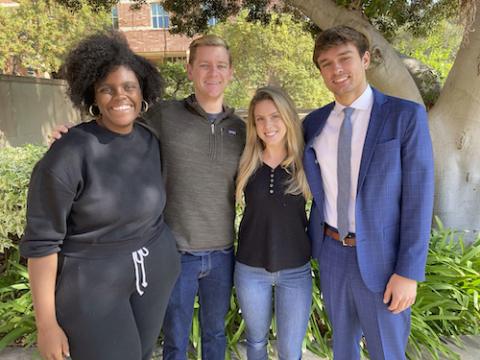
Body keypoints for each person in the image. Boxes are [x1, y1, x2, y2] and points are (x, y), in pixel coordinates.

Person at [20, 31, 181, 360]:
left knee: (142, 354)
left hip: (154, 270)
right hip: (92, 287)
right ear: (92, 95)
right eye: (107, 89)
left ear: (142, 91)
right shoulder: (68, 154)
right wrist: (46, 324)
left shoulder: (151, 136)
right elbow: (42, 245)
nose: (119, 96)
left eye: (128, 87)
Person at [302, 26, 434, 359]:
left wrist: (408, 272)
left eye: (344, 59)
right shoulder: (314, 124)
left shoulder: (404, 117)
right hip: (331, 253)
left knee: (386, 352)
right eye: (326, 63)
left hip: (385, 261)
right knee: (343, 350)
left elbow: (419, 198)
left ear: (364, 59)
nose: (336, 70)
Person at [234, 86, 312, 359]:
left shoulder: (306, 161)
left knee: (291, 351)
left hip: (295, 271)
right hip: (250, 269)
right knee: (256, 342)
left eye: (275, 116)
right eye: (260, 119)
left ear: (288, 117)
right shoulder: (245, 161)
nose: (268, 125)